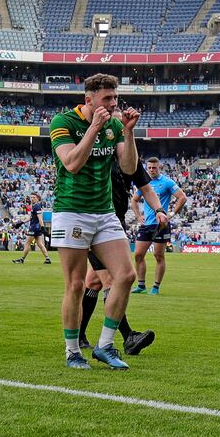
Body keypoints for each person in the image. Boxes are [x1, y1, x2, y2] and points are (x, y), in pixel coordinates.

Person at [49, 73, 143, 370]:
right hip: (72, 210)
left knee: (126, 276)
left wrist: (128, 133)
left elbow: (128, 168)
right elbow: (72, 164)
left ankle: (105, 345)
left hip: (104, 213)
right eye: (107, 99)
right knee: (76, 285)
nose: (114, 104)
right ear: (88, 99)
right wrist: (94, 128)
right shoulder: (62, 123)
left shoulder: (115, 124)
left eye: (116, 98)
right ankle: (72, 350)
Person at [79, 119, 168, 356]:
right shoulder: (98, 157)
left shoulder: (130, 161)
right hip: (95, 223)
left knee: (94, 283)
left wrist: (159, 210)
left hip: (113, 225)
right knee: (112, 279)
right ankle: (127, 336)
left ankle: (79, 336)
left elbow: (147, 190)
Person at [131, 157, 187, 295]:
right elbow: (134, 200)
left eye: (154, 167)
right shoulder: (144, 182)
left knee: (158, 256)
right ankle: (141, 285)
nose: (151, 170)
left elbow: (182, 197)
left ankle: (155, 287)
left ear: (159, 167)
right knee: (138, 255)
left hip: (161, 224)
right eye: (149, 168)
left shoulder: (167, 182)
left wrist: (171, 214)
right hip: (146, 225)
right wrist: (138, 216)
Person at [12, 192, 51, 264]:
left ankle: (22, 259)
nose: (32, 198)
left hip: (34, 227)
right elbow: (30, 217)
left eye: (34, 197)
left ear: (37, 198)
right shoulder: (34, 206)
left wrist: (42, 227)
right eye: (31, 197)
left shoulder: (37, 206)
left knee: (27, 243)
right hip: (37, 227)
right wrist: (21, 223)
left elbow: (40, 218)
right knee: (40, 244)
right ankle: (47, 258)